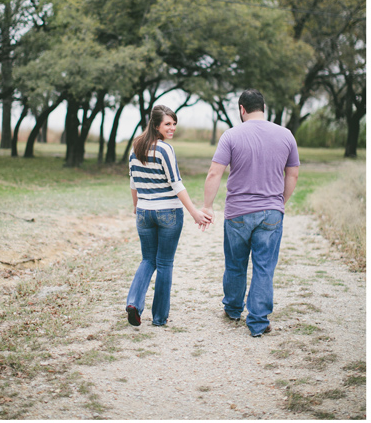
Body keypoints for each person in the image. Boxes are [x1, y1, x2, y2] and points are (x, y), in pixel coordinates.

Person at [202, 89, 299, 337]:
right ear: (263, 107)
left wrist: (208, 206)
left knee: (235, 264)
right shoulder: (286, 135)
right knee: (264, 266)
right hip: (271, 212)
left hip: (237, 213)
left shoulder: (231, 135)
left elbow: (215, 173)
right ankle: (257, 322)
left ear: (242, 109)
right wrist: (280, 202)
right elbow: (293, 174)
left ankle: (234, 309)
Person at [126, 105, 212, 327]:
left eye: (174, 123)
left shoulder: (135, 148)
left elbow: (133, 182)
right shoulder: (165, 149)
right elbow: (176, 183)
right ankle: (159, 317)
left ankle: (134, 303)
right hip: (168, 214)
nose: (172, 128)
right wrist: (194, 212)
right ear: (156, 126)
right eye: (168, 124)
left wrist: (137, 206)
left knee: (147, 259)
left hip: (144, 213)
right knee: (164, 263)